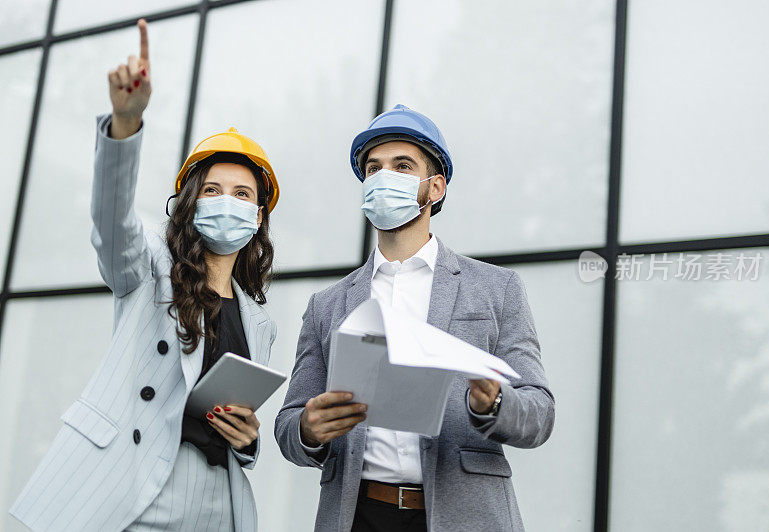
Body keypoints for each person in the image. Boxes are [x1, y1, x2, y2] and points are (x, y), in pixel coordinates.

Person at [10, 19, 279, 532]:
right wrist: (124, 126)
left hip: (220, 498)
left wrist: (249, 440)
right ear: (189, 202)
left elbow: (242, 424)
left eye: (243, 195)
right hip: (134, 484)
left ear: (259, 216)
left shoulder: (259, 317)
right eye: (213, 189)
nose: (228, 202)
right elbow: (112, 221)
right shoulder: (151, 265)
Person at [274, 104, 555, 531]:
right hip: (357, 516)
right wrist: (309, 430)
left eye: (402, 166)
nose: (383, 177)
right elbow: (289, 426)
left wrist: (494, 402)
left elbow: (539, 416)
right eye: (373, 168)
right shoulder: (326, 305)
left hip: (466, 517)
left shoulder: (497, 289)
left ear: (435, 188)